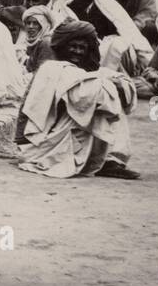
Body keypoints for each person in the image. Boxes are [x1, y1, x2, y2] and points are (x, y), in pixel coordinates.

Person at [16, 19, 139, 179]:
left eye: (82, 48)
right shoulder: (52, 68)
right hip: (46, 141)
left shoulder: (83, 72)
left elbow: (122, 90)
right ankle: (109, 160)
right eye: (73, 47)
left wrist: (113, 83)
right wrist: (110, 84)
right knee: (106, 96)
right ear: (63, 47)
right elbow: (84, 97)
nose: (77, 52)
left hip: (70, 137)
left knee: (110, 94)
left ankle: (112, 160)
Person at [65, 0, 150, 77]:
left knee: (117, 44)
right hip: (80, 54)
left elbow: (129, 33)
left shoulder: (108, 5)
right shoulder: (66, 9)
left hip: (111, 57)